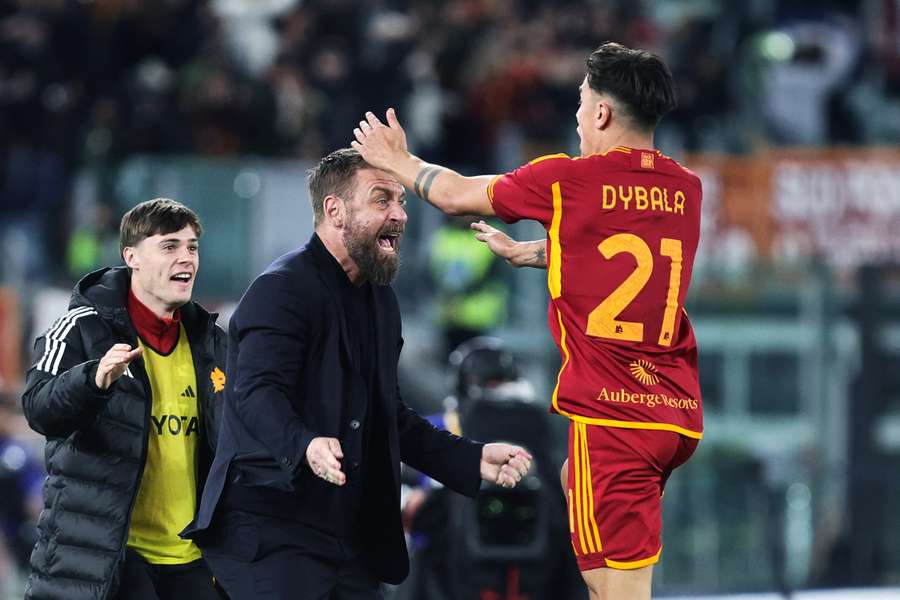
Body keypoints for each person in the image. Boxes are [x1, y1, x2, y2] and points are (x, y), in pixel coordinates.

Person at [352, 42, 703, 600]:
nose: (578, 117)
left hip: (614, 414)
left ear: (603, 114)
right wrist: (536, 253)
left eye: (582, 104)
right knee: (570, 490)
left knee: (617, 590)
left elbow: (457, 196)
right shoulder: (685, 188)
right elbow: (628, 253)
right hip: (673, 412)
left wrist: (399, 160)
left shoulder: (569, 179)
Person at [183, 148, 532, 600]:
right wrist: (304, 443)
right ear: (335, 211)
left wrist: (470, 458)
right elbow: (254, 394)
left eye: (401, 201)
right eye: (381, 200)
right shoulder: (280, 290)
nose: (400, 215)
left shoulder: (381, 301)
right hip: (270, 532)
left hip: (345, 539)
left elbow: (391, 415)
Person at [21, 198, 227, 600]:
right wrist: (92, 381)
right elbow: (38, 408)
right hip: (110, 559)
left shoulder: (212, 343)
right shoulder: (80, 328)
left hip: (191, 561)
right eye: (169, 247)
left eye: (192, 247)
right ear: (131, 256)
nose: (186, 257)